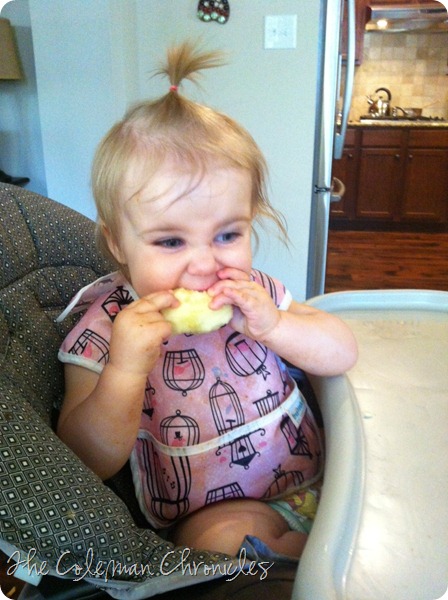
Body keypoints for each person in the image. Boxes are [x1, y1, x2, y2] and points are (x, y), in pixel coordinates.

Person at [57, 41, 357, 560]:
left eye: (226, 235)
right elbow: (85, 462)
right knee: (222, 546)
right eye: (171, 241)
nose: (204, 264)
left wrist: (276, 326)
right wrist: (125, 370)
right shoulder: (103, 331)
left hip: (316, 473)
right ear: (117, 243)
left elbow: (341, 352)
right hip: (216, 513)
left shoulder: (255, 293)